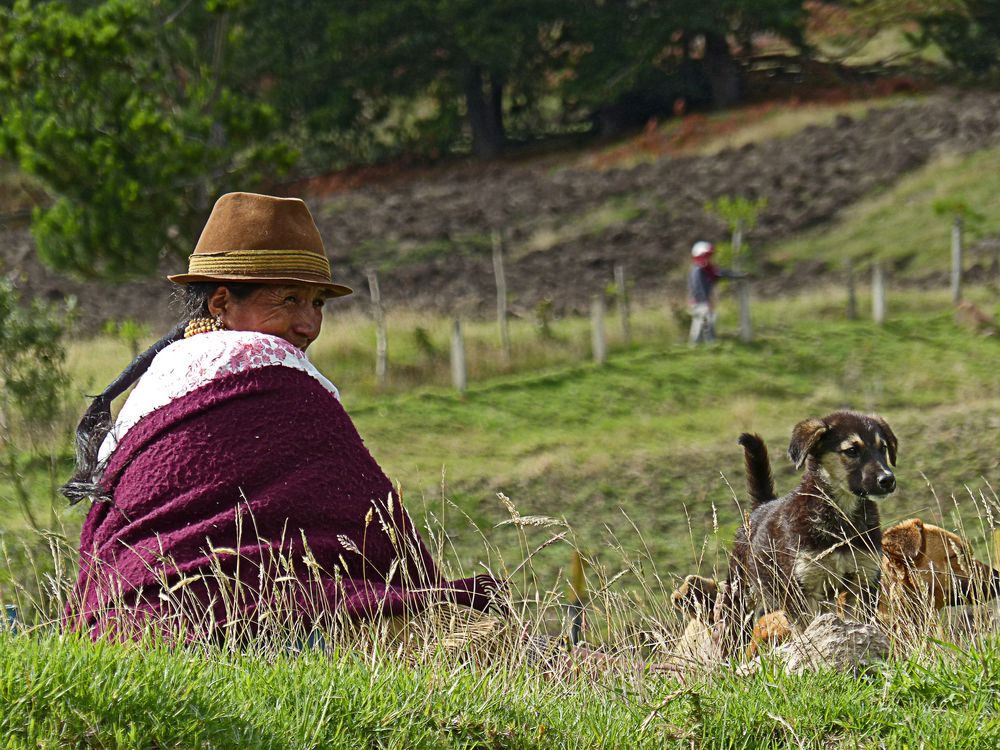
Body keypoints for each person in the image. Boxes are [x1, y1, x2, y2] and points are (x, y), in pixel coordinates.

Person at [63, 192, 501, 641]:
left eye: (317, 304)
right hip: (248, 623)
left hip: (129, 620)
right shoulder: (266, 362)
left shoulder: (161, 378)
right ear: (220, 303)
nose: (308, 323)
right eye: (289, 299)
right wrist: (420, 582)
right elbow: (370, 517)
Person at [686, 240, 741, 344]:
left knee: (706, 323)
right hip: (699, 303)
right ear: (699, 256)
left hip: (705, 303)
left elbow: (722, 273)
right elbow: (698, 288)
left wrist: (739, 275)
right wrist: (705, 303)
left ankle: (707, 346)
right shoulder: (697, 270)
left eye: (709, 256)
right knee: (703, 325)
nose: (709, 258)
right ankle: (706, 346)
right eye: (706, 256)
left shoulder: (709, 270)